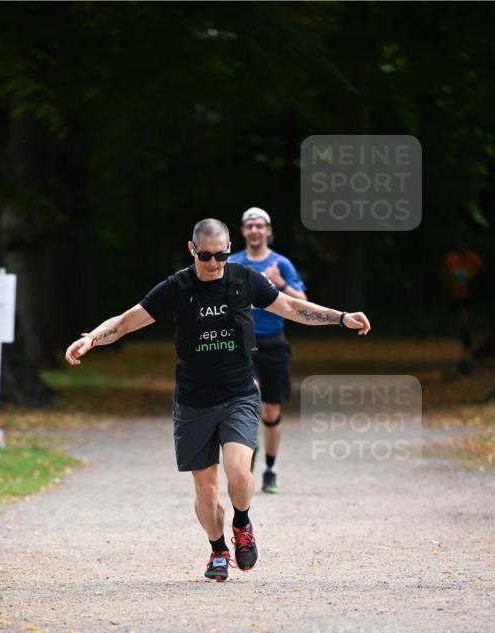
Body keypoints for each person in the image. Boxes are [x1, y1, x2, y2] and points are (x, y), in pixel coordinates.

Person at [65, 218, 370, 582]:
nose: (214, 263)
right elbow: (127, 321)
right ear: (192, 249)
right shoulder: (177, 287)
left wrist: (341, 318)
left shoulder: (244, 279)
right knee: (206, 489)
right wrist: (92, 339)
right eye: (206, 256)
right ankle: (218, 551)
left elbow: (291, 307)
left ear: (228, 250)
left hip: (239, 393)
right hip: (193, 400)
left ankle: (242, 523)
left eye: (221, 255)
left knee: (239, 470)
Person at [229, 207, 307, 494]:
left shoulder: (281, 264)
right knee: (250, 401)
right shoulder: (232, 262)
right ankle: (247, 455)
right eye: (249, 225)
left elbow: (301, 301)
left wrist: (281, 282)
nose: (254, 230)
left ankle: (270, 469)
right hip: (242, 343)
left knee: (271, 410)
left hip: (274, 341)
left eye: (259, 225)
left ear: (268, 231)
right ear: (242, 231)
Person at [441, 239, 484, 354]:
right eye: (459, 246)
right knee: (463, 320)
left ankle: (467, 344)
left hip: (469, 294)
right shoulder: (451, 259)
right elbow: (445, 274)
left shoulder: (474, 258)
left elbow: (481, 274)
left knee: (464, 318)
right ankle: (467, 342)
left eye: (464, 246)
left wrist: (474, 282)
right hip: (456, 294)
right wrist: (449, 280)